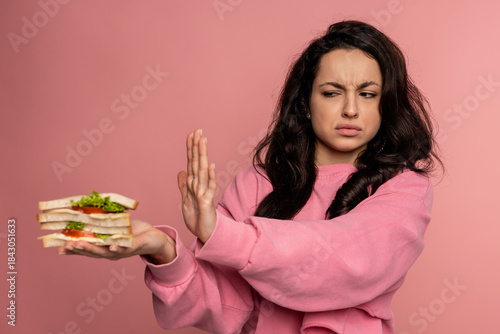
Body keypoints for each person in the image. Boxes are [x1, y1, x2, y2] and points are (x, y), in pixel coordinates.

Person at [59, 20, 442, 333]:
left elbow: (345, 259)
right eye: (331, 92)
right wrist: (162, 249)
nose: (350, 110)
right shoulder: (255, 184)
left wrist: (222, 235)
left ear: (385, 103)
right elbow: (225, 305)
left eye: (368, 94)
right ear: (305, 104)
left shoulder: (403, 188)